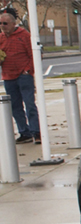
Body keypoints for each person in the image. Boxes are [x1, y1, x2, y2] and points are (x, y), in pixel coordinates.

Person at [0, 12, 40, 144]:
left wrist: (27, 70)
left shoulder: (24, 36)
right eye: (0, 24)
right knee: (15, 106)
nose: (2, 26)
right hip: (8, 76)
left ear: (13, 23)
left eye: (5, 23)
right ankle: (24, 132)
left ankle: (36, 131)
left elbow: (33, 54)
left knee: (29, 104)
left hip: (23, 76)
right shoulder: (1, 38)